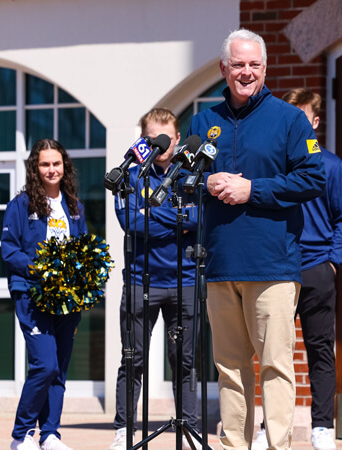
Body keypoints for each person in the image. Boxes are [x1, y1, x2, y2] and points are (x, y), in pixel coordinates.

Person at [188, 29, 326, 450]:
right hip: (220, 265)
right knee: (229, 368)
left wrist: (254, 190)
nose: (246, 72)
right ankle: (234, 445)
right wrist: (204, 180)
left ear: (265, 69)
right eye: (238, 64)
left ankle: (278, 446)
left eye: (254, 65)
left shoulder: (289, 119)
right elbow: (180, 177)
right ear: (223, 69)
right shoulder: (202, 121)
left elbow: (313, 177)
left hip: (272, 265)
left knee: (275, 367)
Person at [251, 89, 342, 450]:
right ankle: (270, 428)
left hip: (316, 269)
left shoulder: (331, 165)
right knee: (272, 353)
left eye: (301, 116)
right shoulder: (273, 165)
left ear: (315, 121)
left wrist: (333, 262)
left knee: (320, 349)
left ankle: (322, 426)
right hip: (277, 268)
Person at [108, 108, 199, 450]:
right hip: (139, 281)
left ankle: (189, 429)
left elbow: (199, 217)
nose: (160, 146)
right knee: (133, 358)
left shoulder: (191, 171)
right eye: (152, 139)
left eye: (166, 139)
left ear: (177, 139)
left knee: (185, 361)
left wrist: (153, 215)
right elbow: (130, 223)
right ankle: (124, 429)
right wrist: (178, 220)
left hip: (185, 281)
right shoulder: (129, 175)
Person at [1, 139, 87, 450]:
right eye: (44, 164)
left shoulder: (75, 206)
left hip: (68, 298)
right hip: (31, 294)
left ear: (65, 167)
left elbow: (83, 249)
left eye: (56, 163)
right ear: (34, 169)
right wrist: (38, 267)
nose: (51, 169)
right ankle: (22, 434)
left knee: (59, 369)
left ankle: (50, 433)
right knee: (45, 365)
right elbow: (9, 251)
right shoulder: (20, 205)